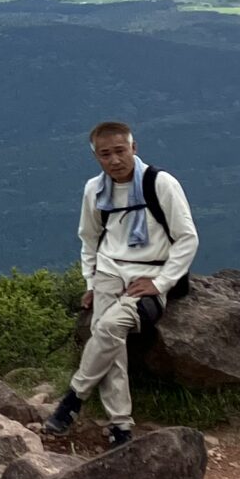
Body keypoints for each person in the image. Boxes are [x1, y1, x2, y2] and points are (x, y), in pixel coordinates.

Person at [43, 120, 197, 447]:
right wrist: (91, 281)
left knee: (109, 327)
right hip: (110, 273)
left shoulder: (161, 183)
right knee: (107, 336)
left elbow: (187, 238)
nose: (114, 160)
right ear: (96, 156)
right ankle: (121, 426)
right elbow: (89, 238)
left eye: (120, 151)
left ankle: (74, 398)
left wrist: (162, 282)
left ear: (134, 148)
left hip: (150, 273)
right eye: (105, 154)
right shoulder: (95, 190)